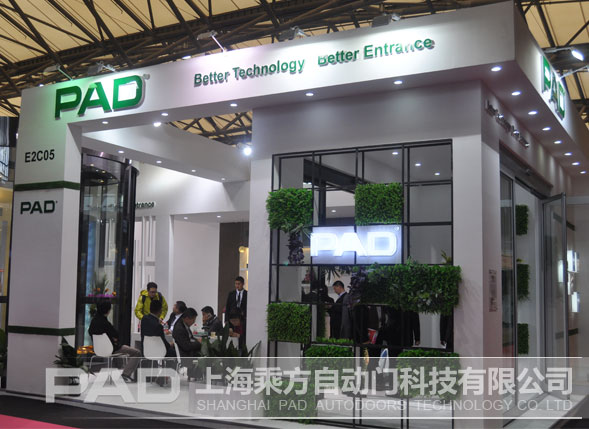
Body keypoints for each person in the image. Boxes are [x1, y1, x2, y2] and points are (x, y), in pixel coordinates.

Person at [88, 300, 141, 383]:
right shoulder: (105, 323)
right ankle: (126, 374)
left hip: (97, 350)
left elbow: (90, 332)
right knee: (136, 352)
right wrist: (113, 339)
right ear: (108, 310)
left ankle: (123, 371)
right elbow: (116, 334)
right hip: (112, 349)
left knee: (124, 350)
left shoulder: (93, 322)